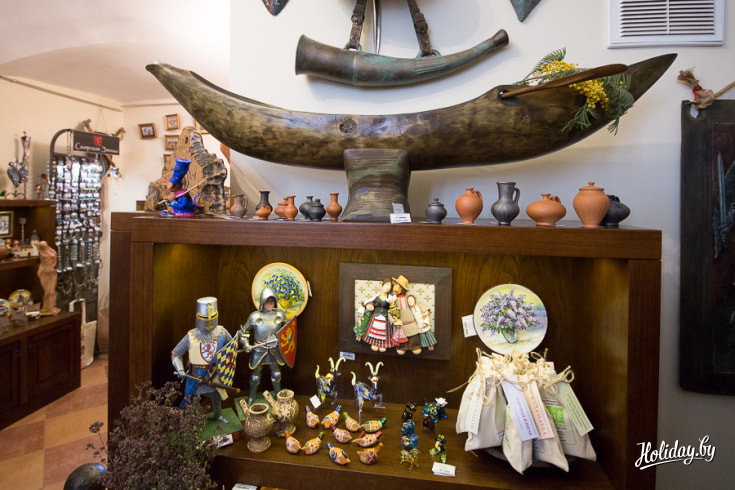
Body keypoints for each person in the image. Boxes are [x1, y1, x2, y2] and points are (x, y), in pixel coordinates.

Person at [171, 296, 232, 423]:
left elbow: (231, 348)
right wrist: (180, 369)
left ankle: (218, 415)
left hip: (214, 373)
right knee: (193, 399)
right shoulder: (191, 335)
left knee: (216, 395)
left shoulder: (222, 332)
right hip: (196, 374)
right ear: (198, 316)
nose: (208, 321)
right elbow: (175, 354)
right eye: (204, 318)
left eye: (211, 317)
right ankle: (192, 421)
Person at [240, 286, 288, 405]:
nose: (270, 304)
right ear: (262, 301)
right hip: (259, 351)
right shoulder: (255, 316)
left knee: (276, 375)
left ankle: (278, 397)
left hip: (274, 350)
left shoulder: (280, 315)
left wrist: (285, 341)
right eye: (267, 301)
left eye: (272, 301)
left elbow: (288, 331)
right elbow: (243, 332)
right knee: (255, 377)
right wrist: (246, 344)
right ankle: (251, 398)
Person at [358, 280, 396, 352]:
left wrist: (392, 302)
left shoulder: (391, 298)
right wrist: (361, 312)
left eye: (390, 286)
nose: (387, 287)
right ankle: (374, 343)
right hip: (375, 317)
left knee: (384, 331)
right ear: (382, 285)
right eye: (386, 285)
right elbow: (366, 303)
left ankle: (383, 344)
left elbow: (393, 307)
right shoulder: (376, 297)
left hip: (385, 318)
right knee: (375, 330)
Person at [390, 275, 423, 355]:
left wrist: (424, 311)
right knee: (401, 348)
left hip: (411, 325)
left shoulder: (409, 298)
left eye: (398, 285)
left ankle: (415, 346)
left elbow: (417, 305)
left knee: (415, 343)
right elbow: (389, 312)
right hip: (400, 326)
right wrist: (393, 321)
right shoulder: (393, 300)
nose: (396, 287)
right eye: (395, 285)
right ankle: (402, 347)